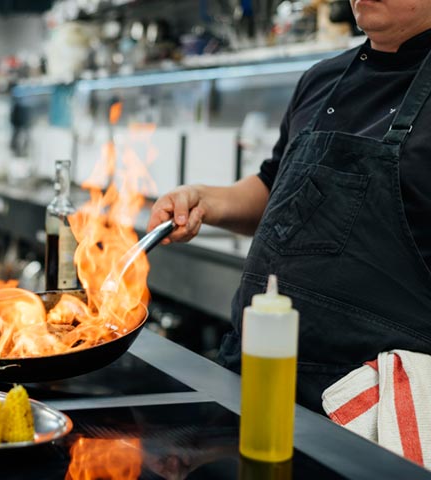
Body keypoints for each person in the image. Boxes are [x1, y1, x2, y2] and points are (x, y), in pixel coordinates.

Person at [147, 0, 431, 413]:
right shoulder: (323, 79)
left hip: (372, 409)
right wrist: (205, 200)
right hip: (251, 374)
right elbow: (275, 186)